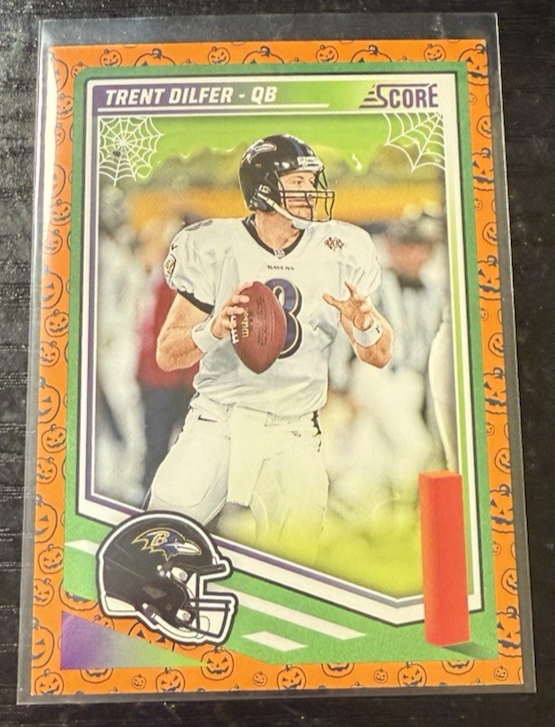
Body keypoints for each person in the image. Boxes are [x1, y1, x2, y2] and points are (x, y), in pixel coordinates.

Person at [146, 133, 393, 564]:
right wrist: (212, 329)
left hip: (292, 430)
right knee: (157, 538)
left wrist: (366, 324)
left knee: (295, 565)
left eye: (311, 181)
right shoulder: (216, 246)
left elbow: (380, 355)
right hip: (217, 420)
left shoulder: (338, 249)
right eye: (297, 182)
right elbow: (167, 353)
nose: (310, 192)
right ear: (263, 189)